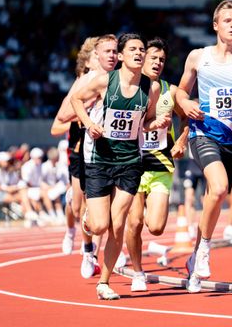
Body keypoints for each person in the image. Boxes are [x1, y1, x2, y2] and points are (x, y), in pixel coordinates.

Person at [71, 32, 169, 300]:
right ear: (122, 56)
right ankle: (88, 221)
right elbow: (76, 99)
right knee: (101, 225)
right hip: (100, 159)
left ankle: (104, 282)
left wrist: (155, 124)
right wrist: (89, 124)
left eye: (141, 49)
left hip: (129, 162)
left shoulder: (152, 88)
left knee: (118, 223)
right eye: (133, 50)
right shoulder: (104, 81)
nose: (139, 53)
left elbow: (144, 122)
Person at [176, 0, 232, 293]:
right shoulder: (198, 57)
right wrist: (186, 103)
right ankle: (204, 250)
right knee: (220, 187)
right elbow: (179, 91)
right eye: (228, 21)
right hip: (204, 133)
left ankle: (195, 262)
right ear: (216, 25)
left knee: (217, 195)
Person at [125, 37, 188, 292]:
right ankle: (138, 272)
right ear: (142, 60)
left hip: (161, 163)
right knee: (135, 222)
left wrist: (182, 140)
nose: (158, 63)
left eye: (162, 60)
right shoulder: (130, 90)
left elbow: (186, 119)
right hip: (133, 162)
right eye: (153, 58)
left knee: (157, 227)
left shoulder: (170, 91)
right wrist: (149, 125)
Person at [51, 36, 113, 275]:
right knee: (79, 209)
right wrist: (83, 112)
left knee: (105, 208)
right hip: (80, 152)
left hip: (107, 152)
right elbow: (60, 119)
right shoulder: (83, 83)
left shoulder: (114, 79)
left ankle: (96, 253)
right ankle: (82, 241)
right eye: (102, 53)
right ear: (91, 58)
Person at [183, 155, 205, 239]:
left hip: (205, 162)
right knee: (189, 198)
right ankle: (190, 226)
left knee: (205, 200)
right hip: (192, 164)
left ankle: (204, 227)